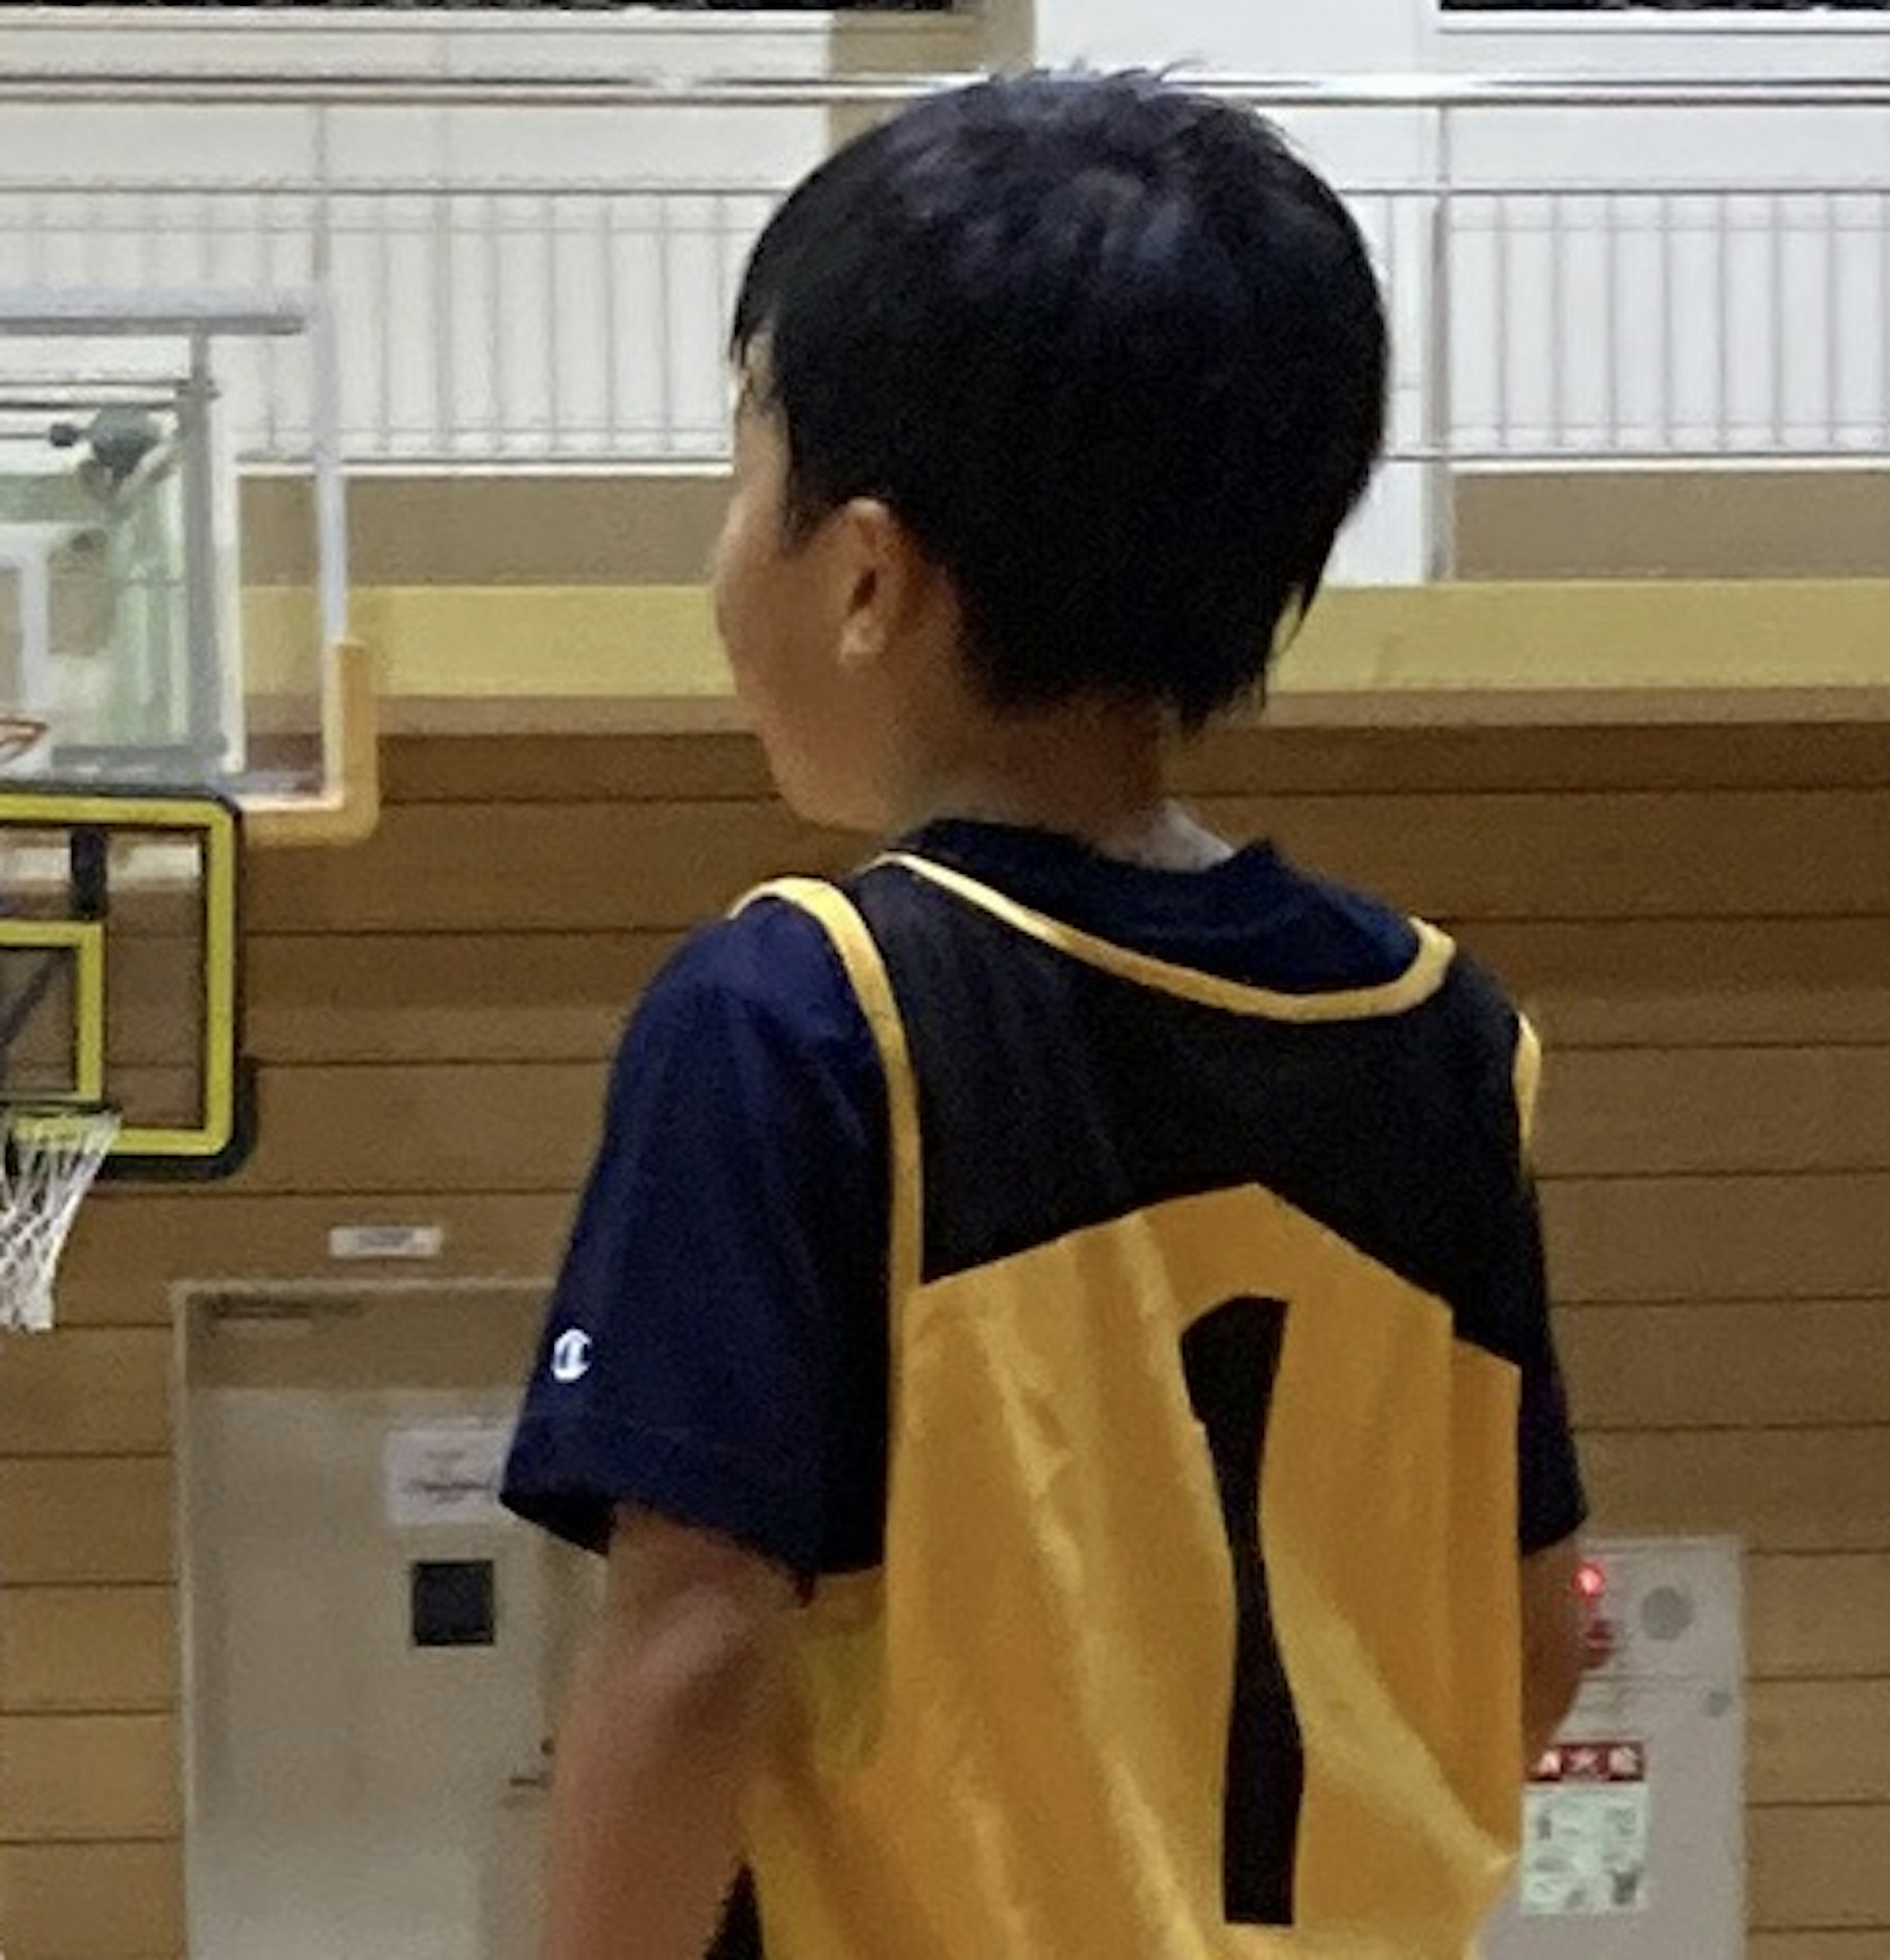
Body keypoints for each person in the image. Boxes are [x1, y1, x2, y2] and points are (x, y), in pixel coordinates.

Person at [501, 69, 1589, 1960]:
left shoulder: (801, 1011)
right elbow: (1540, 1634)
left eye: (745, 462)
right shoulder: (1446, 1034)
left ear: (862, 572)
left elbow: (688, 1646)